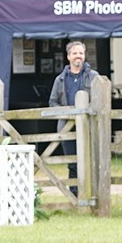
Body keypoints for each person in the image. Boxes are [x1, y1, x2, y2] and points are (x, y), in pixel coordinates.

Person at [48, 41, 99, 196]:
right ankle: (75, 196)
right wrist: (66, 113)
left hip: (87, 126)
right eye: (75, 53)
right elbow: (52, 102)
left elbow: (99, 100)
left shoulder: (94, 77)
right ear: (68, 56)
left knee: (89, 161)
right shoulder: (60, 79)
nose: (78, 56)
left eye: (81, 53)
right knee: (72, 163)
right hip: (66, 126)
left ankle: (90, 194)